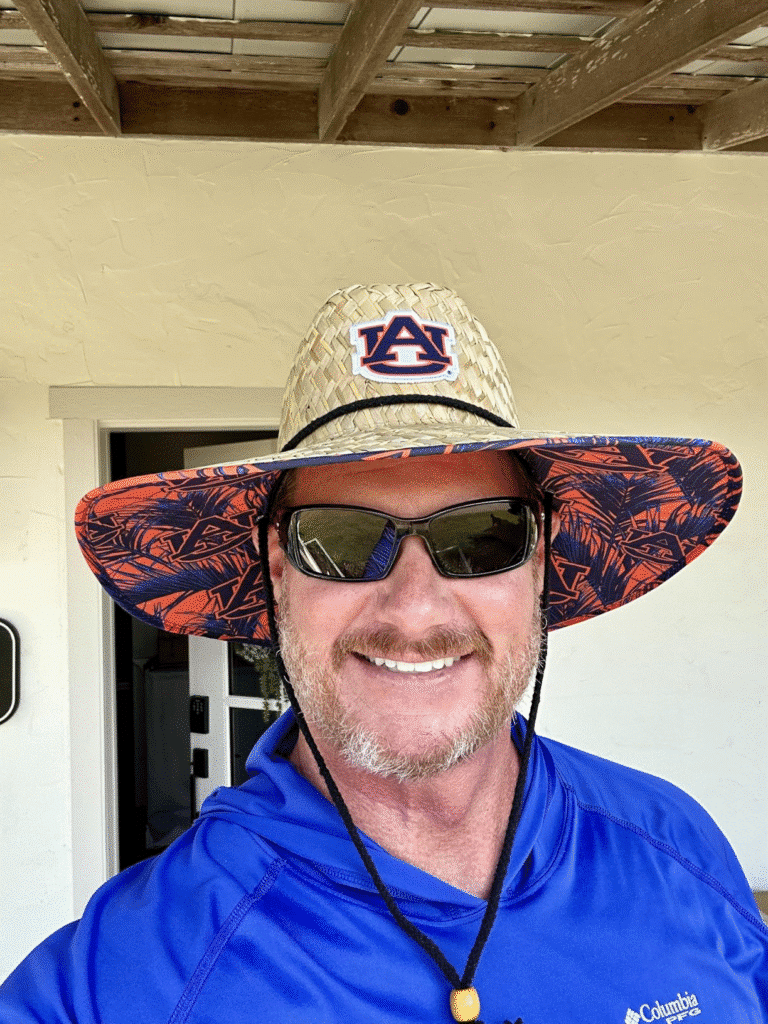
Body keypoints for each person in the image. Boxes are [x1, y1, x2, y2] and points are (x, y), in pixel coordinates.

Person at [1, 283, 766, 1023]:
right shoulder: (117, 984)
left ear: (537, 565)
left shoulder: (677, 847)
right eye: (342, 540)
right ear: (277, 573)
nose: (414, 608)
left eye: (481, 536)